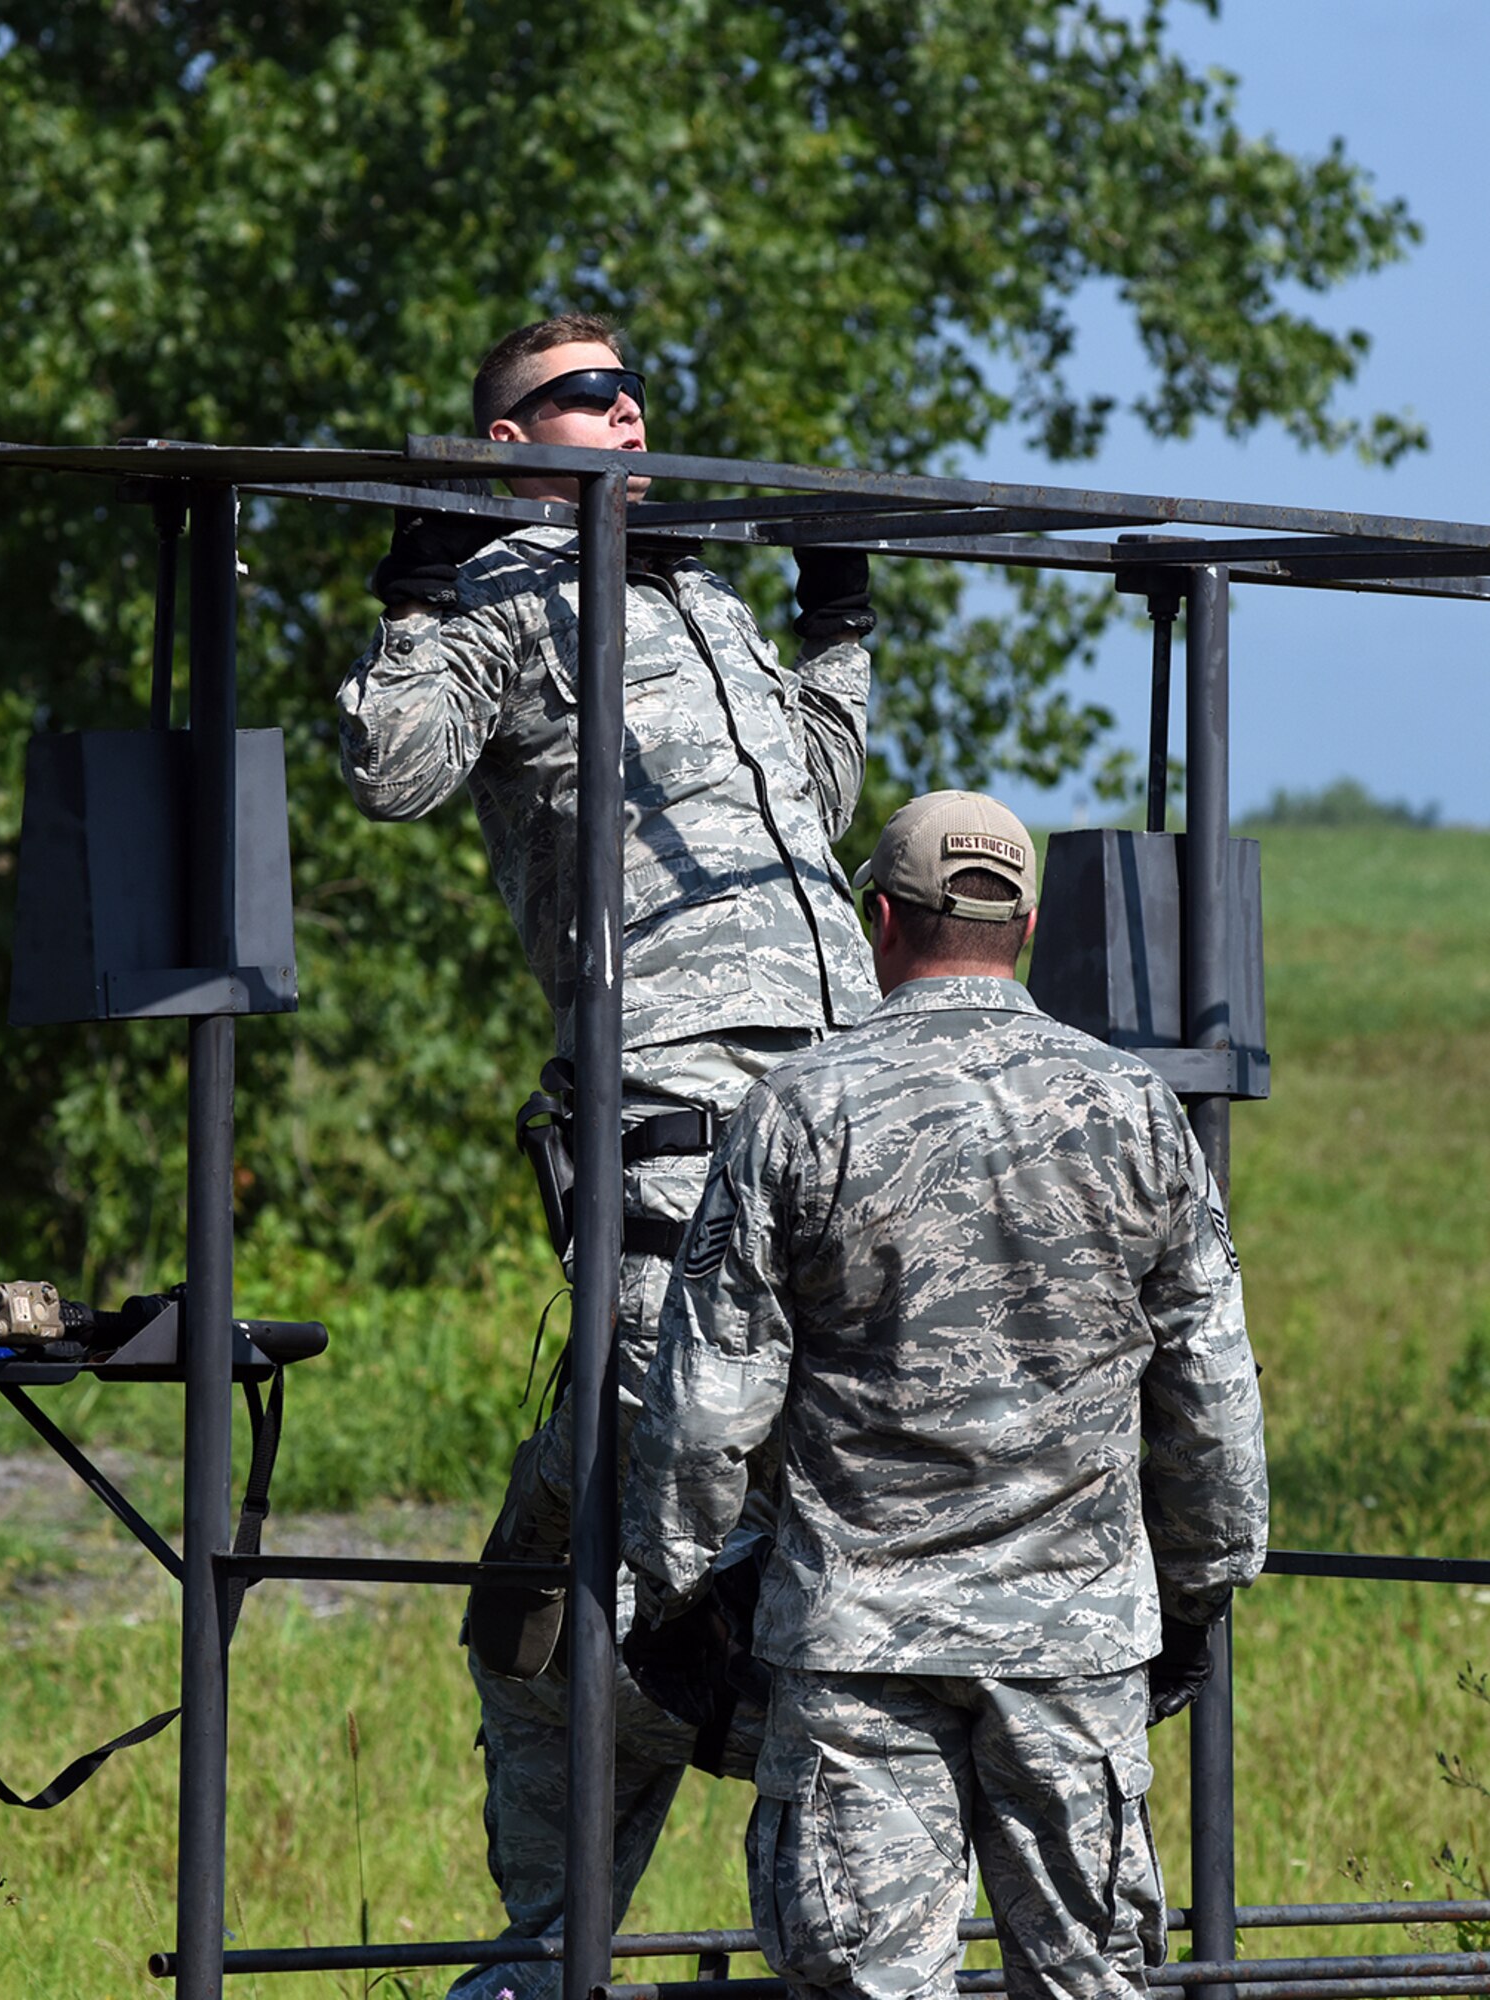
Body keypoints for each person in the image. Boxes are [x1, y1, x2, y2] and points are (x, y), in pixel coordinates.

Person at [335, 312, 880, 1998]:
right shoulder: (506, 597)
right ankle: (556, 1954)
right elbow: (391, 771)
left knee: (695, 1550)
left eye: (629, 382)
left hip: (841, 1111)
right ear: (505, 445)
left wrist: (835, 626)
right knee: (628, 1565)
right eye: (578, 394)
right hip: (674, 1128)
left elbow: (817, 792)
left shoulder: (698, 593)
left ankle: (832, 1943)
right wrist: (415, 593)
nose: (623, 407)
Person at [622, 789, 1269, 2000]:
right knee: (1088, 1983)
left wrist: (671, 1583)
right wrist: (1196, 1588)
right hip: (1073, 1650)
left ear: (880, 918)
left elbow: (709, 1403)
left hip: (855, 1650)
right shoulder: (1133, 1111)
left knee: (868, 1983)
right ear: (1023, 925)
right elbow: (1209, 1390)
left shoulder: (796, 1111)